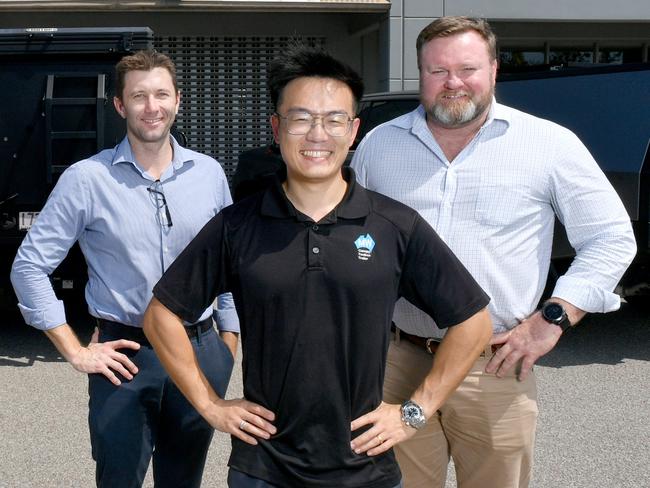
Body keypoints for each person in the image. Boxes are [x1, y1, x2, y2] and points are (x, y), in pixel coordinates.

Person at [142, 44, 493, 488]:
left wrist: (412, 412)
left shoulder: (392, 224)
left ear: (353, 131)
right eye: (301, 118)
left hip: (365, 469)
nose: (317, 135)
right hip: (263, 468)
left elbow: (473, 321)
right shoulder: (238, 225)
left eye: (334, 120)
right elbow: (161, 315)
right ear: (276, 127)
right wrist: (211, 405)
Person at [351, 16, 637, 488]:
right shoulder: (381, 145)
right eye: (437, 70)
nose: (453, 83)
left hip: (495, 366)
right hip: (399, 359)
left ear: (494, 70)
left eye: (468, 68)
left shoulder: (548, 144)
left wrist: (554, 318)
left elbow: (611, 236)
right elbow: (357, 239)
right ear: (419, 73)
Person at [10, 50, 239, 488]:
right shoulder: (87, 179)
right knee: (118, 479)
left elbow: (227, 262)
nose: (151, 107)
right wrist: (76, 351)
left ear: (178, 101)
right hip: (126, 358)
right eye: (138, 97)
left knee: (184, 479)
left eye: (161, 94)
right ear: (119, 105)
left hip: (201, 350)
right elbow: (29, 267)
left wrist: (227, 342)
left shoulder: (208, 174)